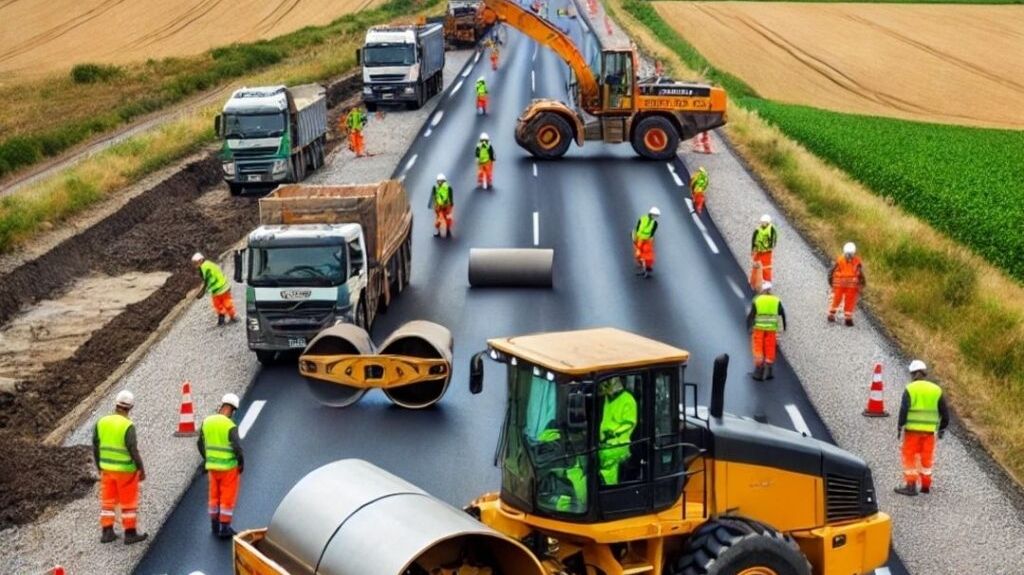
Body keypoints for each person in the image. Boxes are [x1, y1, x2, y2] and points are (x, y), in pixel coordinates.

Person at [94, 390, 148, 545]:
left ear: (116, 404)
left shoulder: (101, 422)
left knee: (108, 502)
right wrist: (141, 470)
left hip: (107, 470)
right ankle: (130, 534)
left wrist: (99, 465)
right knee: (128, 503)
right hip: (126, 472)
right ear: (130, 407)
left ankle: (107, 532)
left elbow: (96, 446)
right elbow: (133, 450)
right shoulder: (128, 426)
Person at [895, 360, 949, 496]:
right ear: (924, 373)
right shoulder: (936, 390)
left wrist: (900, 426)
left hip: (912, 431)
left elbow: (904, 410)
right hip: (929, 433)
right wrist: (942, 428)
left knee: (909, 457)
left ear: (912, 374)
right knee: (926, 458)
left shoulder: (910, 389)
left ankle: (911, 486)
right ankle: (925, 486)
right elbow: (945, 413)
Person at [198, 393, 245, 538]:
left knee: (214, 496)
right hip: (229, 468)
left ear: (221, 406)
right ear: (232, 410)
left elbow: (200, 443)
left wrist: (207, 459)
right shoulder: (230, 426)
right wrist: (241, 462)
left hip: (213, 468)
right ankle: (224, 528)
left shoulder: (207, 421)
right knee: (227, 497)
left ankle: (214, 525)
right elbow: (237, 447)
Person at [597, 378, 637, 486]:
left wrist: (613, 433)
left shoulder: (627, 399)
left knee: (606, 465)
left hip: (619, 445)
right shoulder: (608, 399)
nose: (603, 387)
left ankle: (608, 490)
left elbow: (629, 423)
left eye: (606, 383)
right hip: (605, 444)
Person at [747, 282, 786, 381]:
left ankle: (758, 372)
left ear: (763, 290)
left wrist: (749, 327)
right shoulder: (776, 301)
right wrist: (784, 326)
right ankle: (769, 372)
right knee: (770, 348)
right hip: (771, 329)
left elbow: (751, 315)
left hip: (759, 328)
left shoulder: (758, 300)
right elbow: (782, 313)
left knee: (758, 347)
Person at [828, 242, 865, 326]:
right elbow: (860, 273)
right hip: (851, 285)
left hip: (839, 283)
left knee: (836, 299)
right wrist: (862, 284)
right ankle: (848, 319)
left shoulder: (840, 259)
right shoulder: (856, 261)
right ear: (854, 252)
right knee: (849, 301)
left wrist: (831, 282)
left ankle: (831, 314)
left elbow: (832, 271)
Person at [632, 207, 660, 278]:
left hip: (647, 240)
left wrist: (650, 240)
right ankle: (643, 266)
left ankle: (647, 269)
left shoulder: (655, 223)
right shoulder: (642, 219)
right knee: (638, 254)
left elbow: (652, 233)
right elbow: (637, 228)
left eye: (656, 216)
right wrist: (635, 237)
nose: (655, 217)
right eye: (654, 215)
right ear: (650, 214)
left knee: (648, 256)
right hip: (639, 239)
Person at [751, 214, 778, 283]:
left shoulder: (771, 229)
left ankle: (767, 281)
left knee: (766, 266)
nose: (763, 223)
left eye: (764, 222)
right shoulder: (758, 230)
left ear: (768, 222)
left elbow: (774, 239)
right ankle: (754, 279)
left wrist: (772, 246)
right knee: (755, 264)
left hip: (767, 251)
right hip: (759, 249)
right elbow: (754, 239)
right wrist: (753, 248)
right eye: (762, 222)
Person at [428, 173, 454, 238]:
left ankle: (448, 231)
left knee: (448, 219)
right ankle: (439, 232)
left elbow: (449, 197)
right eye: (438, 181)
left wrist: (450, 204)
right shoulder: (436, 188)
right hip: (439, 207)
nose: (439, 182)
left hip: (446, 207)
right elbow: (435, 197)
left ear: (443, 181)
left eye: (440, 181)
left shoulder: (447, 188)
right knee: (438, 220)